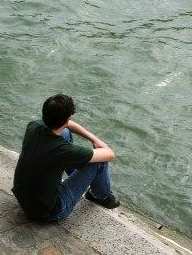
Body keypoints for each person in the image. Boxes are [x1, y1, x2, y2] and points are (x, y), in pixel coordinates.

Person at [12, 94, 120, 222]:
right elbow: (109, 154)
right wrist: (98, 143)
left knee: (65, 132)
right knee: (99, 161)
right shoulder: (62, 150)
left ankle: (76, 177)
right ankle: (100, 196)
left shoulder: (33, 126)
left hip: (24, 197)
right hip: (48, 211)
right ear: (67, 118)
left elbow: (67, 126)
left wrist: (93, 138)